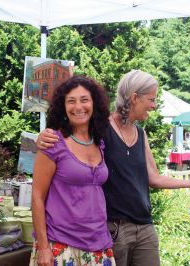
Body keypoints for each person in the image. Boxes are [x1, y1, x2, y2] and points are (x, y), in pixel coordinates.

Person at [37, 70, 190, 266]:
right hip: (111, 228)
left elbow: (154, 178)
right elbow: (72, 137)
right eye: (151, 99)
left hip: (142, 225)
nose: (154, 105)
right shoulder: (101, 128)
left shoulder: (140, 134)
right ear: (134, 98)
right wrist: (43, 136)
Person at [31, 76, 115, 266]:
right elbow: (37, 197)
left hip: (99, 243)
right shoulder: (52, 142)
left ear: (94, 104)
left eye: (84, 100)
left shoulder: (98, 142)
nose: (78, 107)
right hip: (60, 243)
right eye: (71, 101)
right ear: (63, 107)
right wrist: (43, 248)